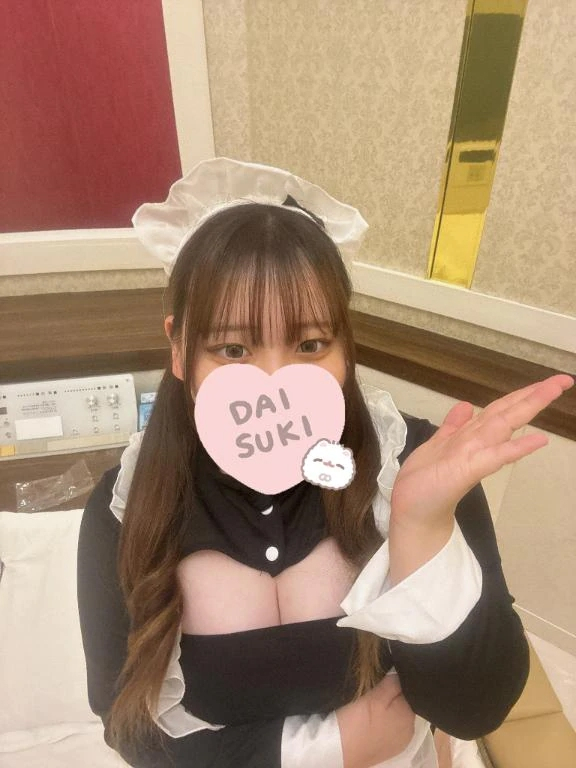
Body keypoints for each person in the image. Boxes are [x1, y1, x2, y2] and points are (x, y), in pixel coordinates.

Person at [77, 157, 574, 768]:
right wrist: (329, 748)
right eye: (232, 349)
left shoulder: (416, 468)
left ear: (345, 346)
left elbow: (476, 709)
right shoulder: (125, 508)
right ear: (179, 348)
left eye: (310, 344)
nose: (274, 381)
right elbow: (127, 725)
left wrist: (422, 530)